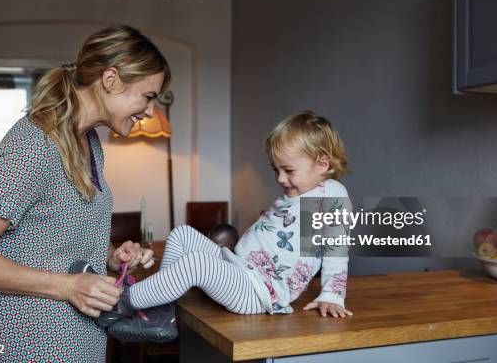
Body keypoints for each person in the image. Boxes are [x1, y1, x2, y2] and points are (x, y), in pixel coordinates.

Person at [0, 25, 169, 361]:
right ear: (111, 80)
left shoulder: (88, 142)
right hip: (33, 348)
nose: (150, 111)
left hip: (80, 344)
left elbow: (56, 238)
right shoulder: (35, 144)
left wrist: (111, 255)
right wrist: (66, 286)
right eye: (148, 97)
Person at [109, 111, 353, 335]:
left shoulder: (330, 194)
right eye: (275, 170)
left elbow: (336, 250)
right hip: (238, 268)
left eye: (288, 170)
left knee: (196, 263)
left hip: (257, 292)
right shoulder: (298, 194)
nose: (280, 178)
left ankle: (120, 302)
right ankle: (162, 310)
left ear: (323, 164)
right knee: (182, 234)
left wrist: (332, 295)